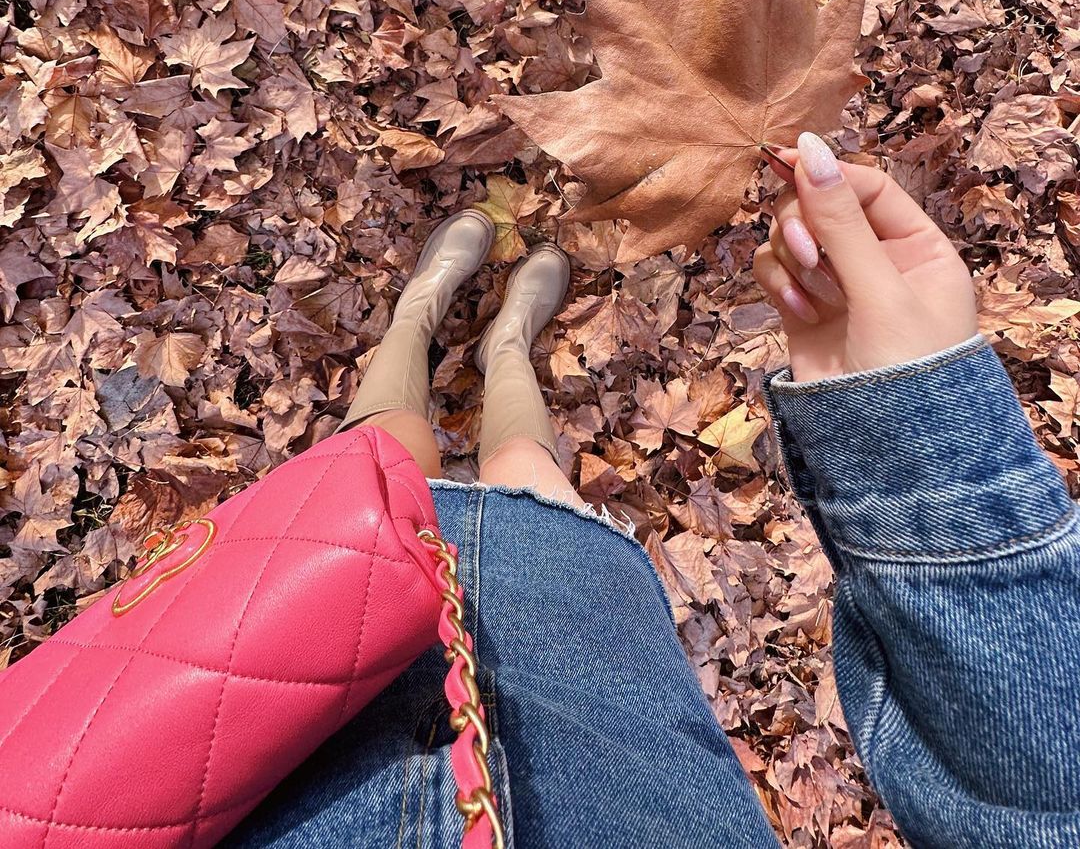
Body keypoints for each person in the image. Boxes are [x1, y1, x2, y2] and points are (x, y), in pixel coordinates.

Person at [224, 133, 1080, 849]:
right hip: (601, 713)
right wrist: (928, 450)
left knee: (381, 455)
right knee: (526, 479)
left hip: (287, 694)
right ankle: (487, 340)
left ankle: (463, 328)